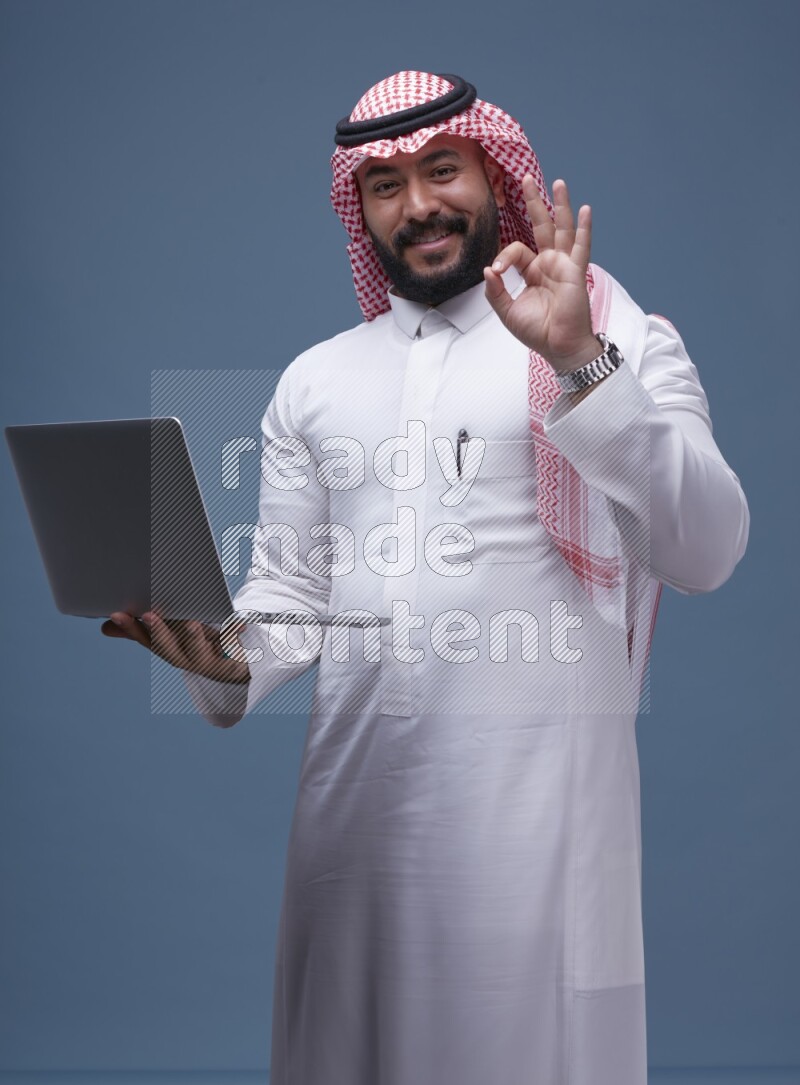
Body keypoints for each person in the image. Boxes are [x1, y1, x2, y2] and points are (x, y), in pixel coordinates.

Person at [103, 72, 749, 1085]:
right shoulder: (315, 378)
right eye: (384, 185)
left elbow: (706, 546)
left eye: (439, 170)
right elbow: (288, 605)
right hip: (353, 828)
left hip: (537, 821)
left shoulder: (609, 327)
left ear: (490, 168)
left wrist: (579, 359)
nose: (417, 206)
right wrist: (214, 658)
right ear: (356, 211)